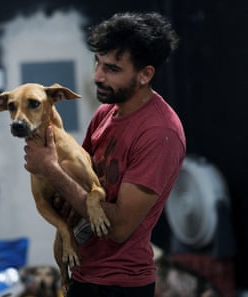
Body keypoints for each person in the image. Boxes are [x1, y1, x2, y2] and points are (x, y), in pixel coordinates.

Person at [23, 11, 186, 297]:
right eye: (97, 63)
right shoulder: (105, 114)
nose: (97, 76)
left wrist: (50, 170)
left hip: (119, 285)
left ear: (145, 74)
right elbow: (76, 181)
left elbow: (120, 227)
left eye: (112, 69)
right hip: (85, 273)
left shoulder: (161, 134)